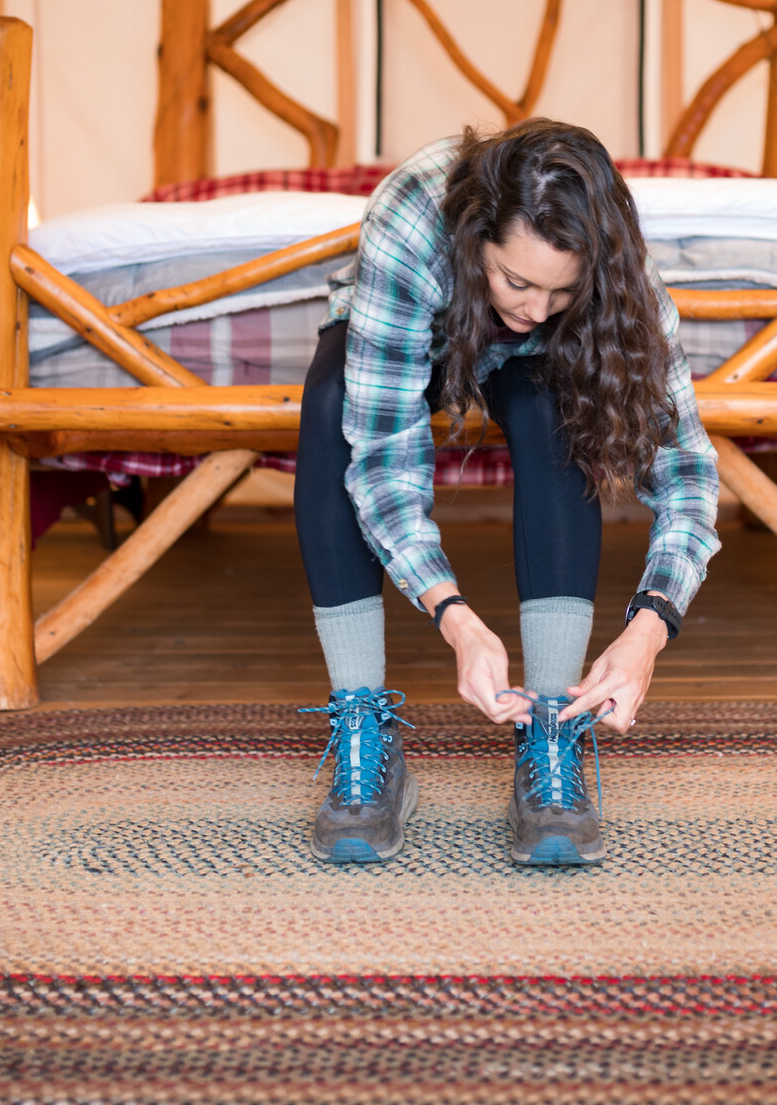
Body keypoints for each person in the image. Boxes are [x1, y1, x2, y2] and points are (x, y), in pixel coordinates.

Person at [294, 119, 720, 867]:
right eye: (515, 279)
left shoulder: (620, 279)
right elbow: (385, 463)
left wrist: (650, 628)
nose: (532, 308)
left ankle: (552, 722)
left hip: (546, 369)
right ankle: (362, 722)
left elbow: (685, 469)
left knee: (557, 408)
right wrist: (454, 616)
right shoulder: (412, 220)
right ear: (475, 241)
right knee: (330, 403)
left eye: (561, 289)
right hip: (420, 329)